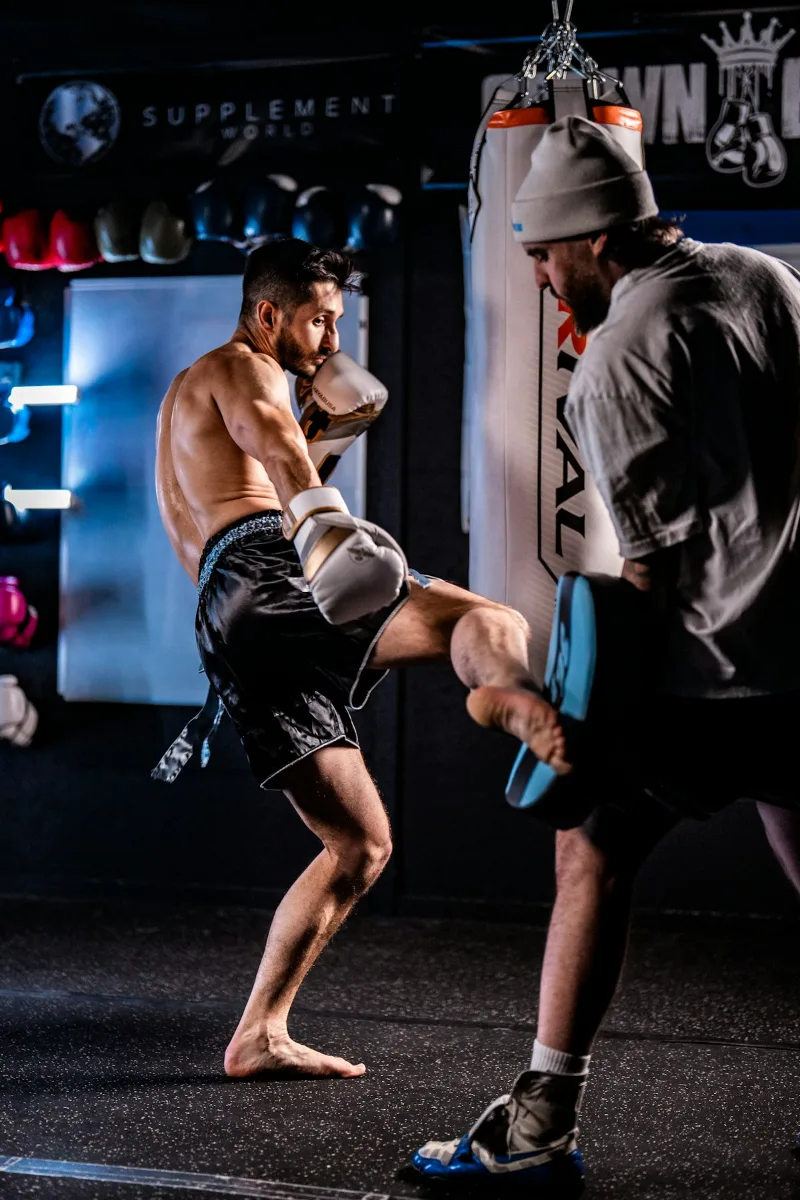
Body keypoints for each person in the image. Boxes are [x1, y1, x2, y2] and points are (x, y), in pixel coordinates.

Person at [412, 116, 800, 1190]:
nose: (535, 275)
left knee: (586, 853)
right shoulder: (761, 278)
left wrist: (577, 716)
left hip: (713, 670)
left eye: (540, 252)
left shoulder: (618, 359)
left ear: (590, 237)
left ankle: (537, 1127)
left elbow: (651, 575)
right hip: (799, 653)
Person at [153, 236, 569, 1080]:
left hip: (225, 621)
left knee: (361, 847)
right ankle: (512, 695)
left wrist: (327, 437)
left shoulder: (188, 397)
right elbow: (273, 444)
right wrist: (325, 524)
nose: (332, 340)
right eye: (320, 320)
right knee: (483, 617)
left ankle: (257, 1033)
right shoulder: (245, 369)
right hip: (272, 568)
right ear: (269, 314)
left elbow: (270, 456)